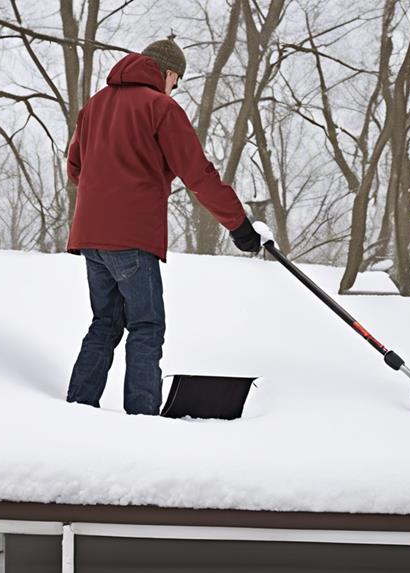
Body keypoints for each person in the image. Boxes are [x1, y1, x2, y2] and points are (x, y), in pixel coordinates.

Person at [64, 36, 272, 415]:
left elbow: (75, 167)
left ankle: (77, 410)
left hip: (90, 238)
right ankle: (142, 419)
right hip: (132, 238)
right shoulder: (161, 107)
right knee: (146, 326)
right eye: (176, 82)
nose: (174, 89)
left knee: (105, 324)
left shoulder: (95, 105)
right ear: (169, 72)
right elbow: (198, 174)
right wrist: (239, 225)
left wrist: (110, 188)